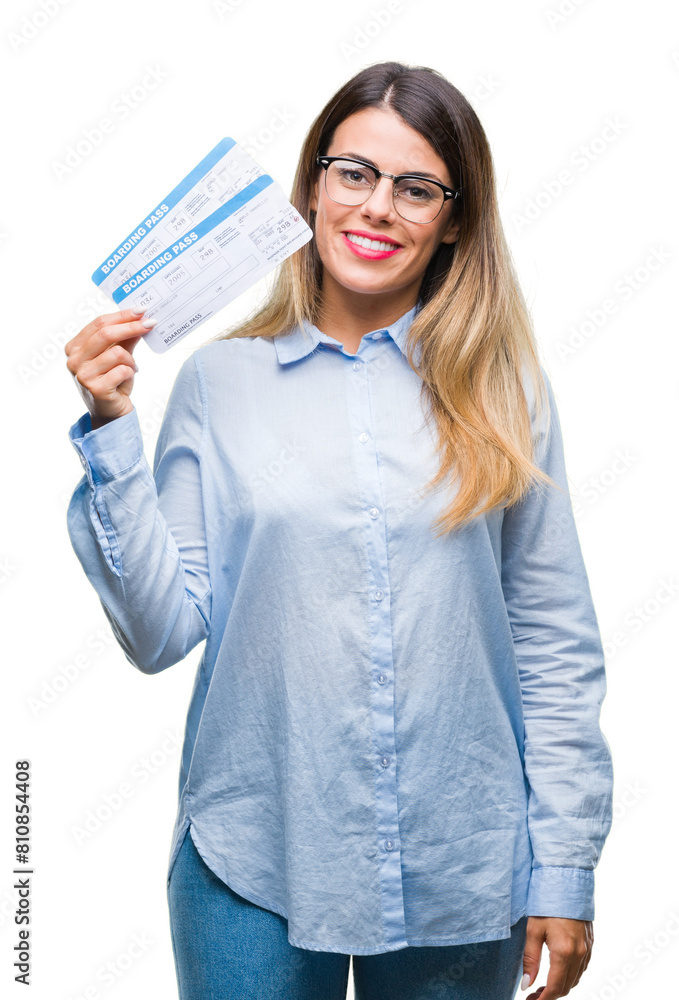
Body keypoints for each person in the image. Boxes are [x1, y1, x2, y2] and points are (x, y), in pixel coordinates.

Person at [64, 61, 614, 1000]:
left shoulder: (504, 390)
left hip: (461, 861)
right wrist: (112, 430)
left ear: (455, 219)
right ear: (312, 187)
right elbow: (160, 634)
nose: (376, 208)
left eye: (417, 188)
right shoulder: (218, 382)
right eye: (353, 172)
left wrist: (563, 867)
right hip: (254, 855)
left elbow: (552, 643)